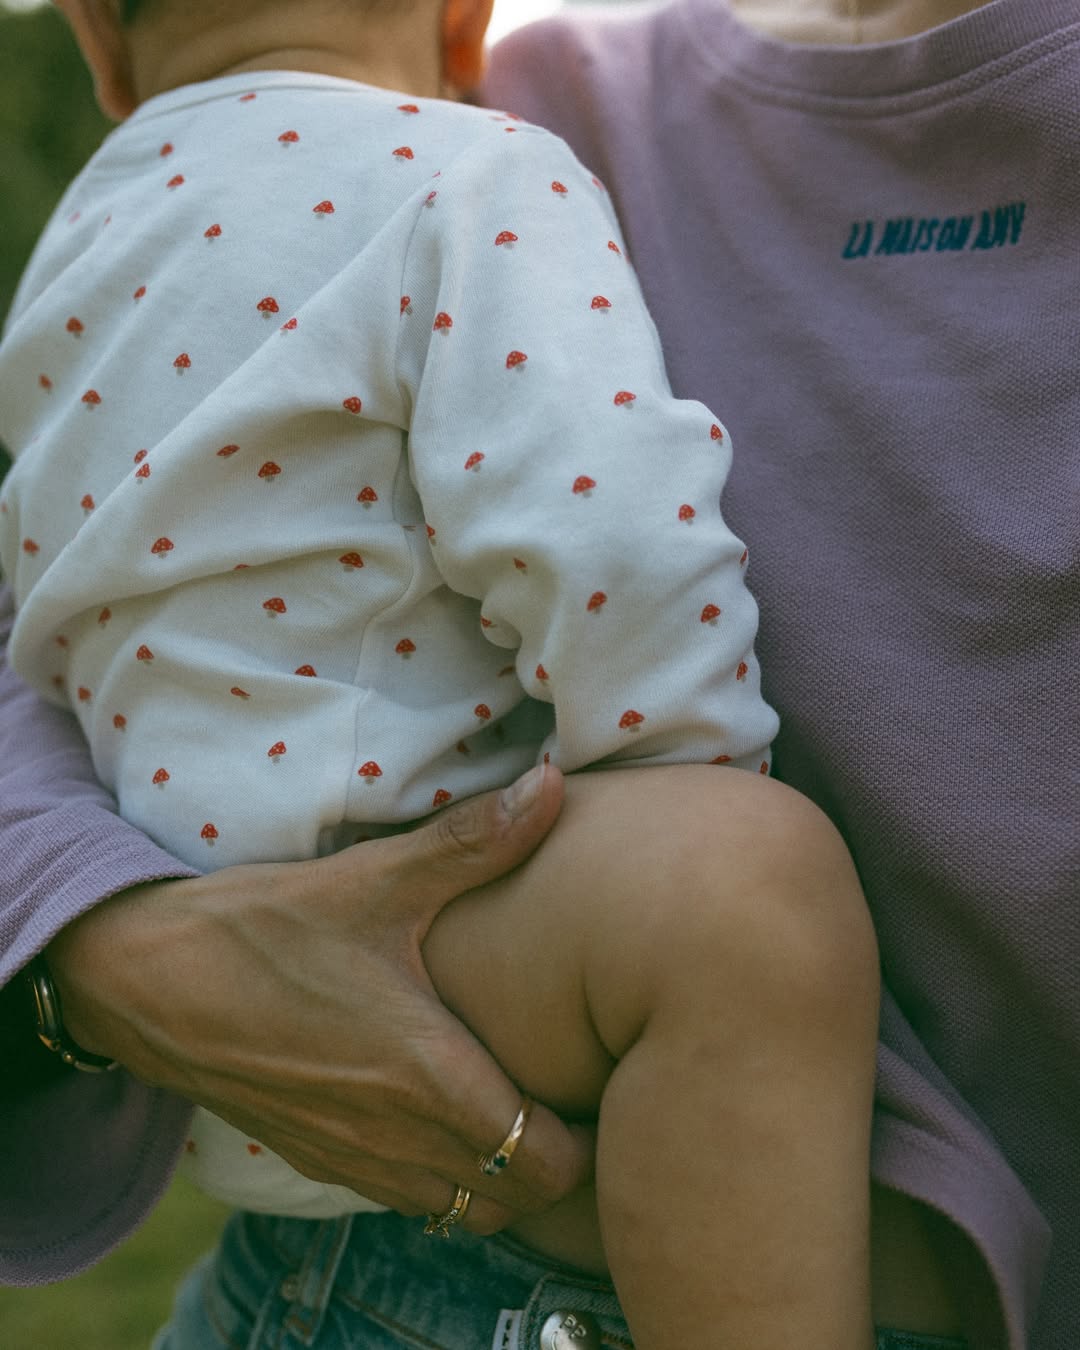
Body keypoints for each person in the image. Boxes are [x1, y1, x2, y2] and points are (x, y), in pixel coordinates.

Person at [0, 0, 1074, 1347]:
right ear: (463, 18)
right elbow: (603, 529)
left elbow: (40, 611)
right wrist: (690, 790)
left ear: (98, 41)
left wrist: (113, 929)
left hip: (240, 1040)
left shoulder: (72, 254)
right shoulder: (478, 169)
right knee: (745, 895)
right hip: (467, 958)